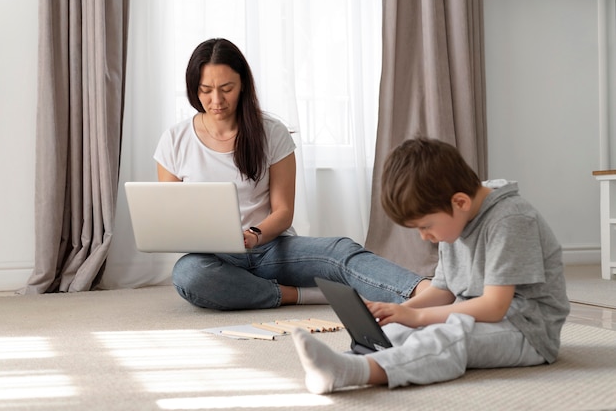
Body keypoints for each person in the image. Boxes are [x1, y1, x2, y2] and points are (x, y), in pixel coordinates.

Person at [153, 38, 429, 310]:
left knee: (340, 250)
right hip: (215, 257)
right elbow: (175, 221)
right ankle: (295, 294)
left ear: (243, 86)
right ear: (193, 89)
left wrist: (255, 235)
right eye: (205, 90)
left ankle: (422, 291)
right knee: (189, 275)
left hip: (272, 248)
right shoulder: (174, 140)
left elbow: (283, 211)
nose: (216, 100)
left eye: (227, 88)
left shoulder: (272, 132)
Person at [292, 138, 570, 394]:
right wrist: (400, 311)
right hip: (480, 317)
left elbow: (495, 307)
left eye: (425, 226)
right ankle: (345, 362)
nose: (424, 236)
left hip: (526, 330)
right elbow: (443, 289)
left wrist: (419, 318)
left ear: (459, 202)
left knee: (446, 336)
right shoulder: (456, 217)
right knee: (397, 331)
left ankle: (356, 372)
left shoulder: (510, 219)